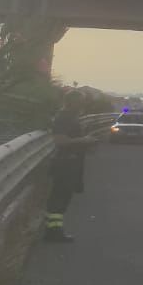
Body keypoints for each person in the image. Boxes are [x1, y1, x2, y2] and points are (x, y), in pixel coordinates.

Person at [46, 87, 100, 242]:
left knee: (63, 197)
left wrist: (86, 143)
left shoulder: (72, 117)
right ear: (74, 103)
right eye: (81, 102)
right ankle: (53, 232)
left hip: (72, 163)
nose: (83, 105)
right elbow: (60, 140)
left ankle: (53, 230)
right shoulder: (64, 118)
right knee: (59, 198)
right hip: (65, 164)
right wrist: (84, 140)